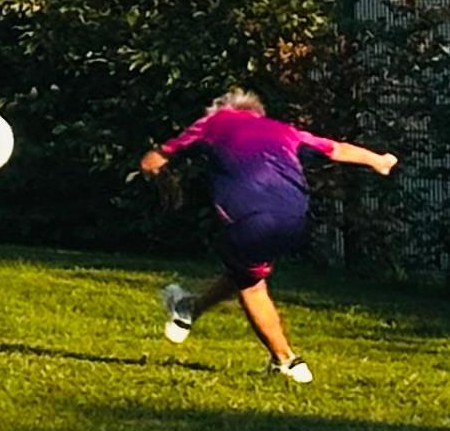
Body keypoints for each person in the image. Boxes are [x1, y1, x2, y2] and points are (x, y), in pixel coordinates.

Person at [141, 86, 398, 384]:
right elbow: (336, 149)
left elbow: (153, 161)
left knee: (251, 286)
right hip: (295, 218)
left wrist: (161, 182)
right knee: (246, 272)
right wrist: (379, 160)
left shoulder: (212, 123)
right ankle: (189, 309)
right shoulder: (285, 130)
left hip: (249, 219)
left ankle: (287, 361)